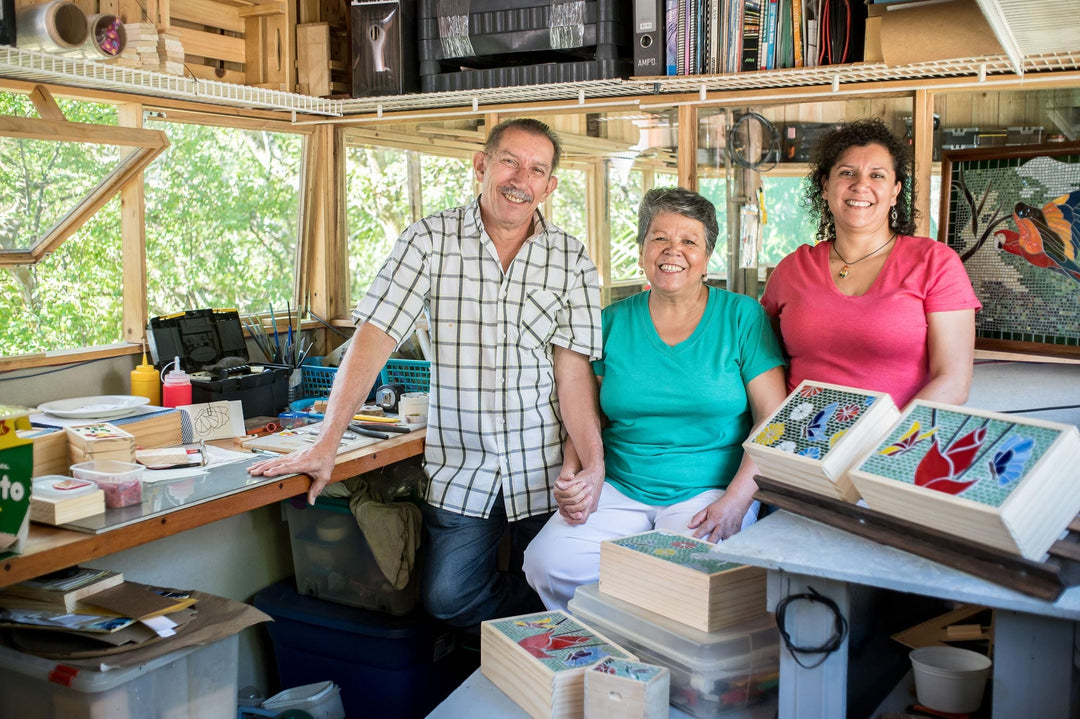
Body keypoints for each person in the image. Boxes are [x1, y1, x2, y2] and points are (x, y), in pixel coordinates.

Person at [249, 118, 604, 628]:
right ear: (481, 165)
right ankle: (536, 630)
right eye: (509, 161)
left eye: (536, 170)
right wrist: (327, 441)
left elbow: (574, 375)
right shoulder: (429, 240)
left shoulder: (570, 259)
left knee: (564, 581)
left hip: (544, 465)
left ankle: (537, 654)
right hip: (463, 465)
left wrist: (591, 466)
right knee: (447, 599)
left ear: (549, 186)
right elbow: (375, 337)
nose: (519, 179)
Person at [523, 187, 788, 612]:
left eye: (689, 241)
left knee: (684, 581)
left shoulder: (741, 316)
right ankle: (603, 645)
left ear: (707, 255)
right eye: (660, 238)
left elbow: (773, 420)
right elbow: (589, 417)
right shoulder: (610, 321)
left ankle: (653, 657)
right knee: (547, 562)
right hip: (621, 485)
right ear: (642, 247)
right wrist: (579, 475)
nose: (673, 251)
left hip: (708, 492)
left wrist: (738, 502)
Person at [760, 118, 981, 407]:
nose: (860, 185)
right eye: (847, 173)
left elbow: (953, 383)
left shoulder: (936, 264)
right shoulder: (791, 269)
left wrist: (881, 440)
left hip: (892, 445)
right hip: (799, 442)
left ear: (895, 191)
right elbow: (763, 366)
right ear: (825, 187)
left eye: (877, 175)